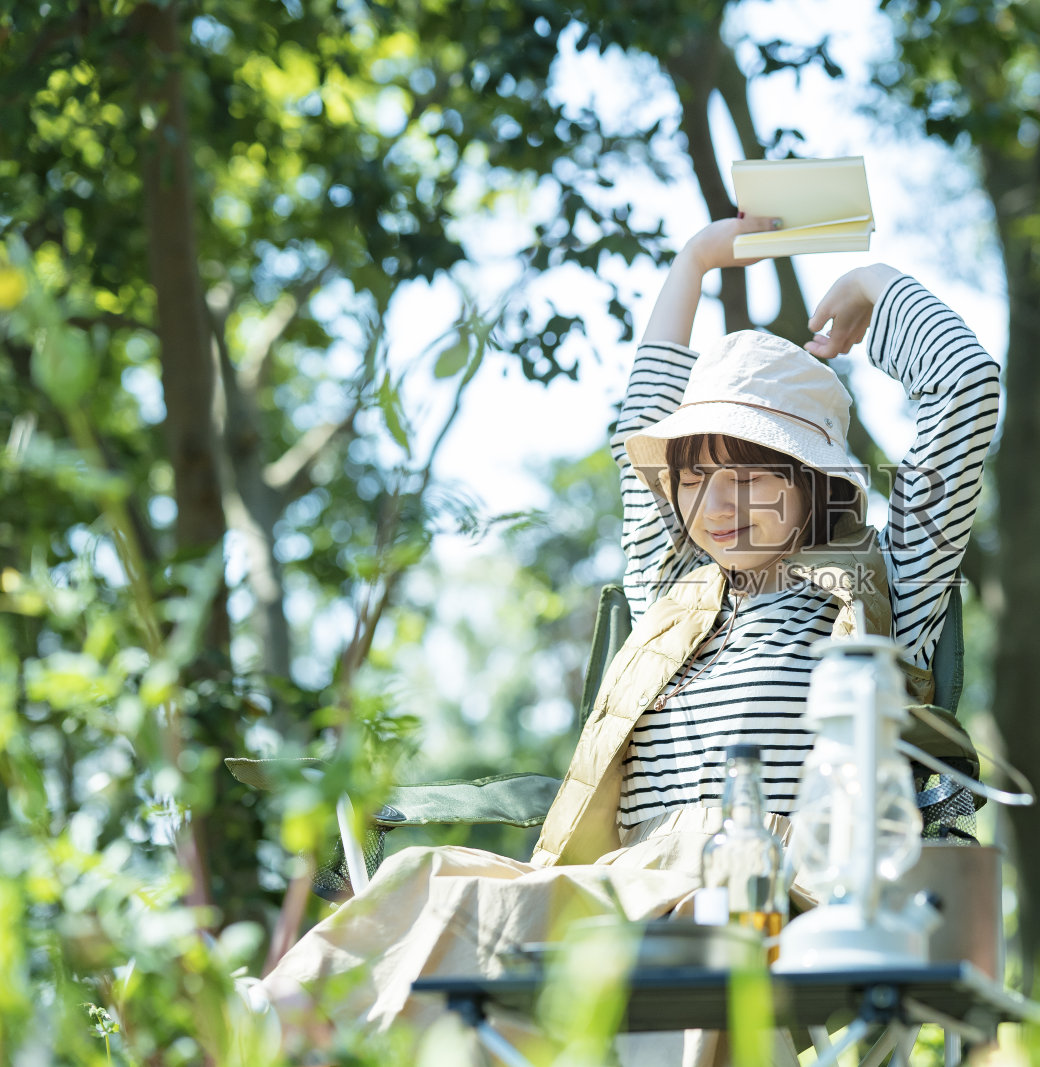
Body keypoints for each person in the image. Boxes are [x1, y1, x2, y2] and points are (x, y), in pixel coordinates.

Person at [257, 214, 1001, 1063]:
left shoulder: (880, 590)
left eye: (752, 475)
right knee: (424, 881)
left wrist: (873, 286)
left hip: (782, 883)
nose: (717, 505)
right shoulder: (669, 595)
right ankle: (247, 1028)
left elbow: (967, 390)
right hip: (624, 880)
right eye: (695, 477)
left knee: (714, 932)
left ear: (812, 483)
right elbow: (642, 419)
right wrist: (693, 261)